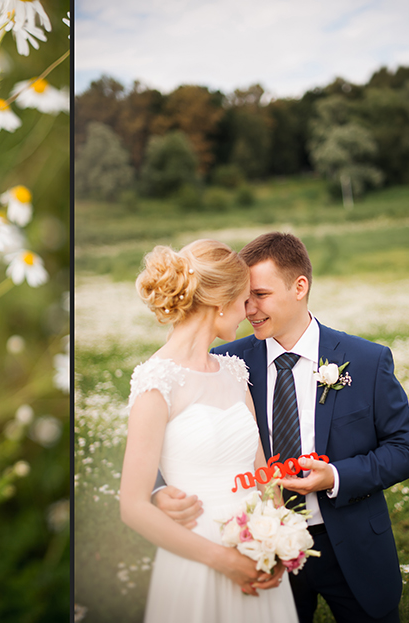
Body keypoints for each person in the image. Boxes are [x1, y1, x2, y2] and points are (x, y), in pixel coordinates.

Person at [154, 232, 409, 623]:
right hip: (254, 544)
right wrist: (160, 490)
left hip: (348, 543)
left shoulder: (366, 360)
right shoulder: (226, 361)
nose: (248, 309)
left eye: (260, 295)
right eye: (244, 297)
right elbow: (184, 439)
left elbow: (407, 448)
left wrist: (333, 475)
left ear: (300, 287)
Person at [120, 239, 299, 623]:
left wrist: (283, 541)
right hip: (198, 556)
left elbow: (262, 472)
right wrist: (224, 560)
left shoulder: (234, 371)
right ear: (221, 301)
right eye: (244, 300)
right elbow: (132, 506)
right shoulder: (156, 380)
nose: (248, 311)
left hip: (256, 548)